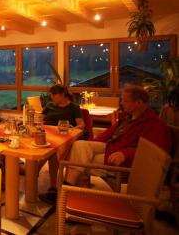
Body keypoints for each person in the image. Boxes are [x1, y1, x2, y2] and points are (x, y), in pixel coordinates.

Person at [42, 86, 172, 204]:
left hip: (121, 158)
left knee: (79, 158)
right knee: (80, 146)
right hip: (112, 146)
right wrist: (91, 143)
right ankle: (69, 190)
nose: (122, 103)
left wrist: (125, 153)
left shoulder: (154, 124)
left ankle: (65, 193)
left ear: (138, 103)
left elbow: (154, 152)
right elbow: (110, 133)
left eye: (125, 100)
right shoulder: (127, 117)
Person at [38, 84, 86, 203]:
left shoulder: (74, 108)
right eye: (51, 95)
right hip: (46, 133)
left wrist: (71, 128)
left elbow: (81, 125)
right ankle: (34, 171)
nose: (52, 97)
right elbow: (40, 119)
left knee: (51, 151)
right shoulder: (49, 105)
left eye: (54, 95)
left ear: (63, 95)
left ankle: (35, 173)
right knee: (43, 148)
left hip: (62, 136)